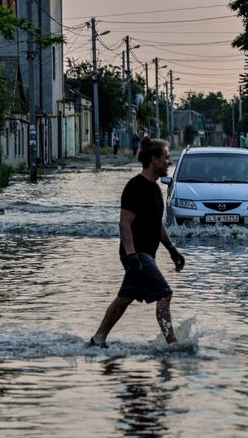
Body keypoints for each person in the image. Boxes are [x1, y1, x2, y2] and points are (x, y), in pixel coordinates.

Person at [90, 137, 186, 348]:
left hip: (145, 255)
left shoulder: (154, 189)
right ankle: (172, 343)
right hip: (137, 254)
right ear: (154, 160)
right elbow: (124, 224)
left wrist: (172, 250)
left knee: (126, 297)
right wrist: (132, 256)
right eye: (166, 158)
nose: (169, 162)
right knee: (165, 293)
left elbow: (157, 224)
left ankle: (98, 339)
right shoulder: (135, 186)